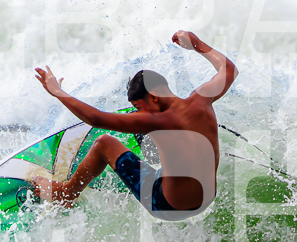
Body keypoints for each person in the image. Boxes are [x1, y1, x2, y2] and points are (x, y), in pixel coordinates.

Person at [32, 31, 237, 219]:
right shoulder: (202, 100)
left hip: (167, 205)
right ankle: (152, 156)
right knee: (146, 135)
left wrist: (58, 92)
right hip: (206, 198)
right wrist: (196, 43)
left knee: (103, 143)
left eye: (139, 107)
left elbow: (95, 119)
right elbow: (229, 69)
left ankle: (67, 193)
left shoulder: (157, 121)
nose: (139, 114)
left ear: (154, 97)